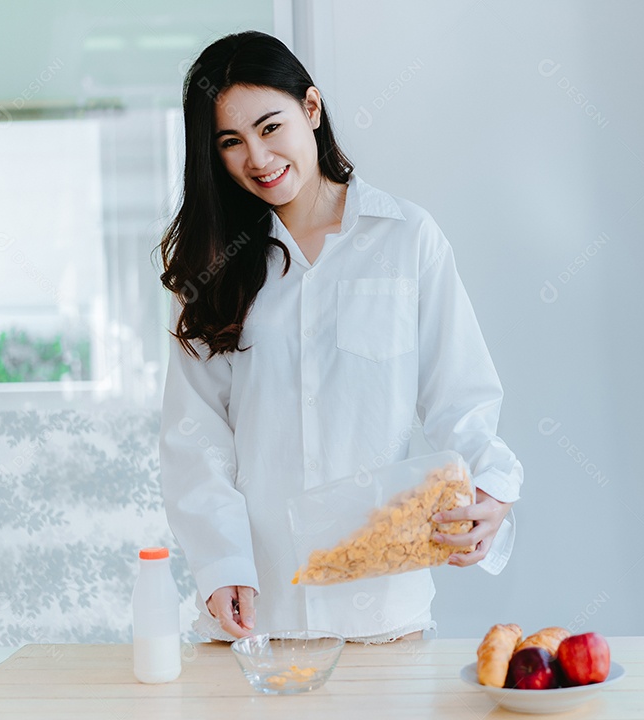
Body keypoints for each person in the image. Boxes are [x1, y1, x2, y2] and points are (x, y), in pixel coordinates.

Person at [157, 30, 523, 644]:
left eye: (270, 126)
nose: (257, 157)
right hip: (257, 619)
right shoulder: (213, 265)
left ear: (311, 108)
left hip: (382, 614)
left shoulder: (407, 240)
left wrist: (494, 489)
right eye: (231, 142)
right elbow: (195, 435)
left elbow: (460, 397)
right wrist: (220, 565)